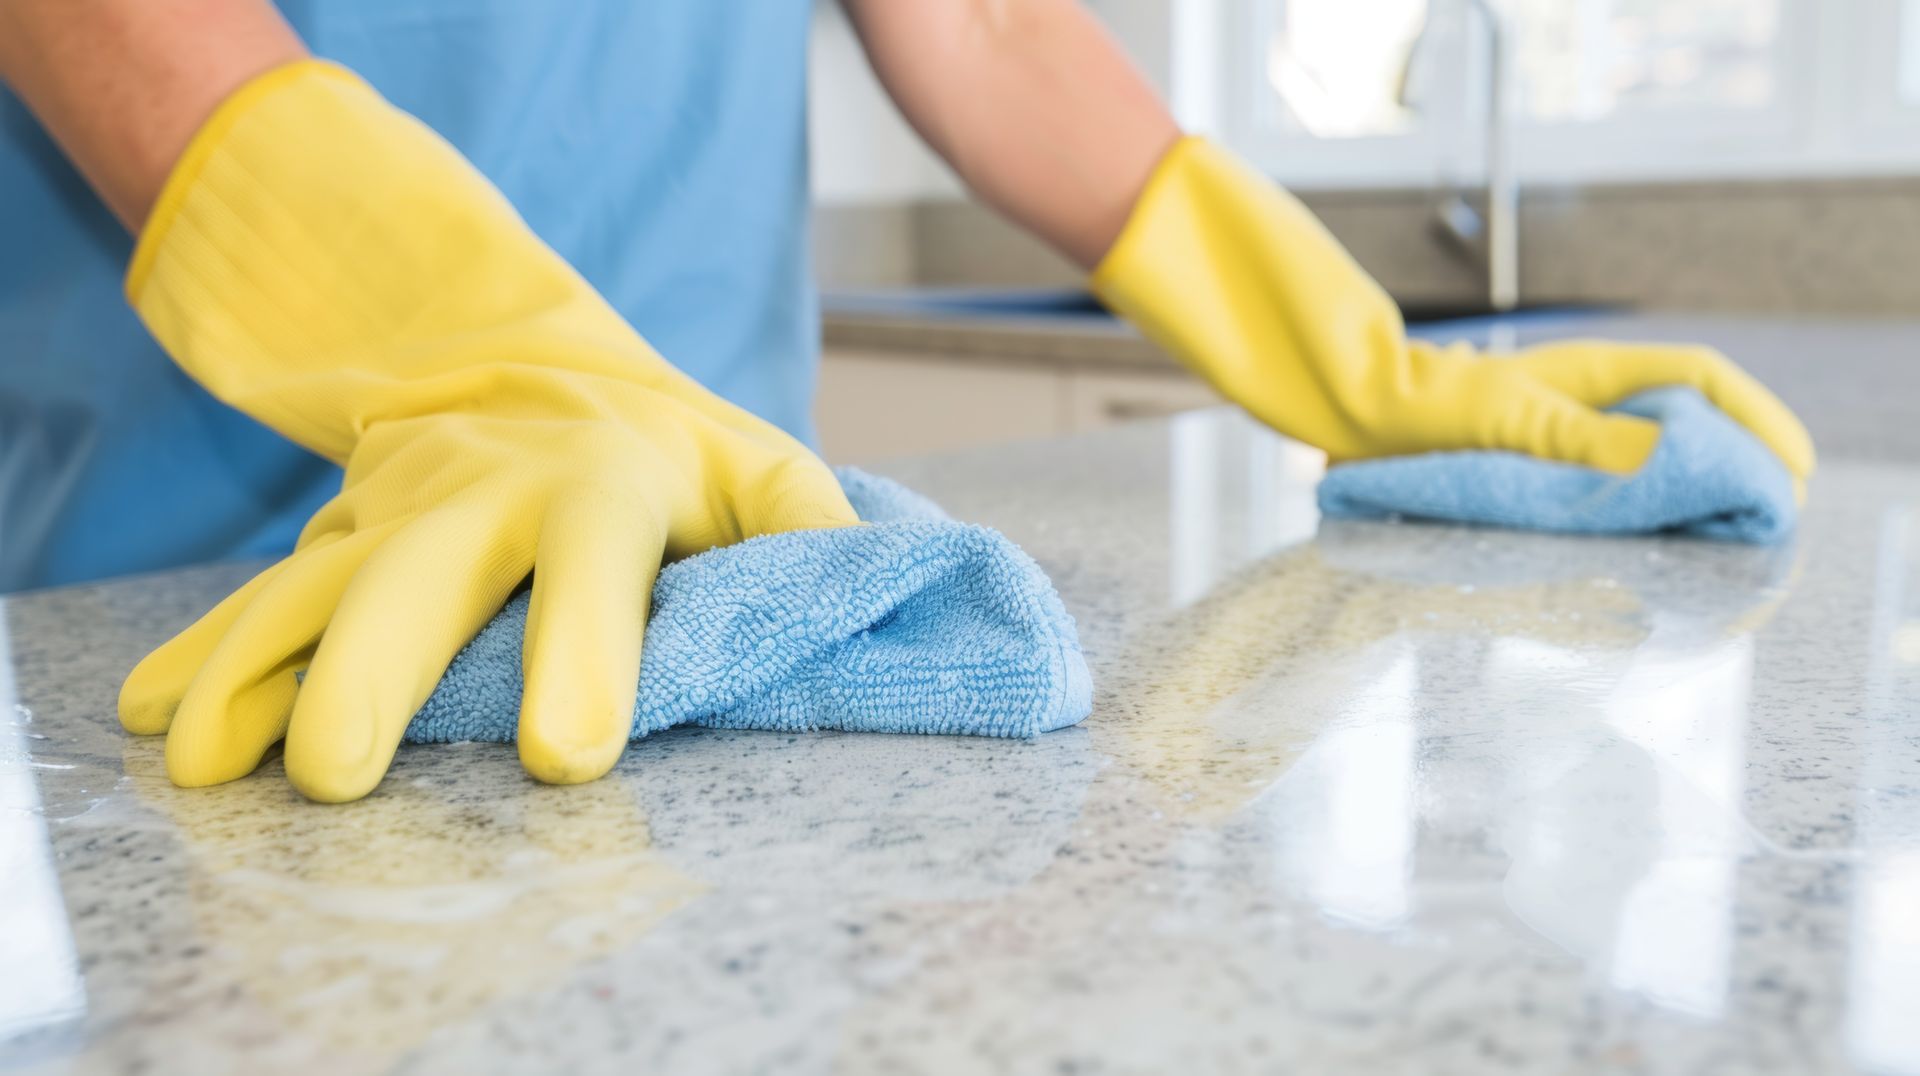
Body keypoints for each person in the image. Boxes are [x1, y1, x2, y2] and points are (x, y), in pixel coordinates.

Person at [0, 1, 1814, 801]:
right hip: (215, 595)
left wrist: (1343, 353)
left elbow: (993, 25)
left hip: (729, 586)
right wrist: (471, 350)